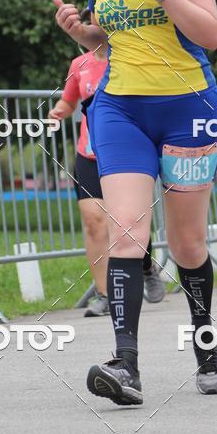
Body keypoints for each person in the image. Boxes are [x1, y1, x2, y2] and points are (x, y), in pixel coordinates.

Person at [53, 0, 217, 406]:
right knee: (125, 229)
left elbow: (210, 32)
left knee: (186, 244)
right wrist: (83, 34)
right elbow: (114, 40)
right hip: (120, 109)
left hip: (189, 110)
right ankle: (124, 366)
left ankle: (206, 347)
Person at [48, 18, 165, 316]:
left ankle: (147, 267)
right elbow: (69, 101)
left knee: (127, 223)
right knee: (94, 223)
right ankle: (104, 295)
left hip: (125, 154)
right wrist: (58, 112)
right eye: (89, 21)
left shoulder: (128, 58)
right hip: (88, 153)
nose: (93, 28)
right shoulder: (79, 64)